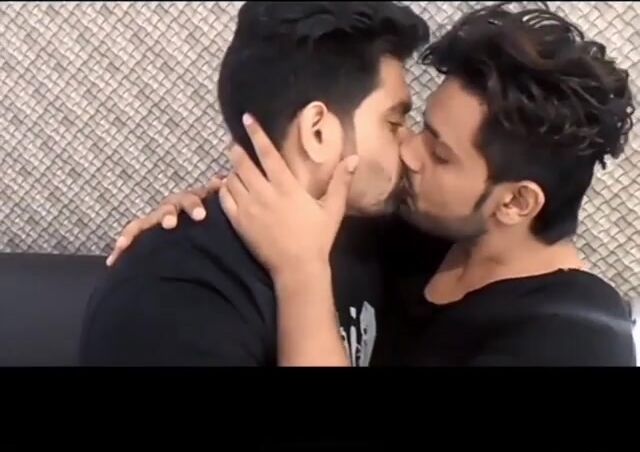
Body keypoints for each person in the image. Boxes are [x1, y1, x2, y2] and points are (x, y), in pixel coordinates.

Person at [108, 3, 636, 366]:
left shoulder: (575, 344)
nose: (409, 151)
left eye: (439, 153)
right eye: (406, 123)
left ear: (516, 202)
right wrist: (211, 207)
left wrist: (302, 275)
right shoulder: (403, 231)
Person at [79, 2, 430, 366]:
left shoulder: (368, 233)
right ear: (317, 132)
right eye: (394, 124)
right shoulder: (169, 303)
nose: (410, 147)